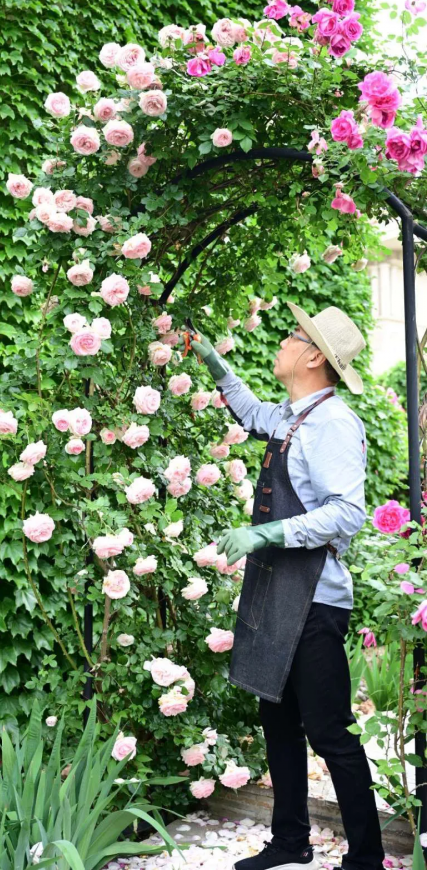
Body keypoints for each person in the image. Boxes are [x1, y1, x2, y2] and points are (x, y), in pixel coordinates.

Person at [179, 302, 385, 870]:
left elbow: (347, 512)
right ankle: (290, 842)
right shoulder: (296, 416)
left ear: (315, 356)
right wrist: (212, 360)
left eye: (296, 336)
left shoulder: (334, 423)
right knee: (278, 721)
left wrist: (266, 531)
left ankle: (367, 858)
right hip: (276, 593)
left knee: (328, 731)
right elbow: (252, 413)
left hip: (316, 599)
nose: (286, 340)